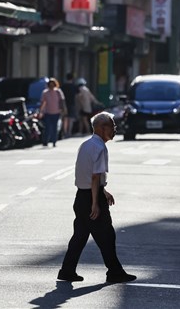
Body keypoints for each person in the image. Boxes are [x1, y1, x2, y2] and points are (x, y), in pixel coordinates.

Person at [57, 111, 137, 283]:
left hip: (81, 196)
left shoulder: (86, 144)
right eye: (112, 126)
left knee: (79, 236)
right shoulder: (100, 147)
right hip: (90, 199)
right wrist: (95, 203)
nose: (115, 129)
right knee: (107, 235)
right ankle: (115, 272)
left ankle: (67, 270)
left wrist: (103, 191)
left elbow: (88, 175)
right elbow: (94, 176)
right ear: (102, 128)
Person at [39, 77, 67, 147]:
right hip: (48, 112)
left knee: (54, 128)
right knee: (47, 128)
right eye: (50, 84)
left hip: (56, 112)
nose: (51, 86)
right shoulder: (45, 92)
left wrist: (63, 109)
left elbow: (62, 101)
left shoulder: (58, 91)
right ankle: (45, 141)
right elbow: (43, 102)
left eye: (52, 84)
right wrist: (41, 111)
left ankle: (54, 141)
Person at [61, 73, 78, 137]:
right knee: (71, 119)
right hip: (72, 104)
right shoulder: (74, 86)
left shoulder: (63, 86)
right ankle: (69, 132)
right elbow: (78, 95)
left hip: (64, 104)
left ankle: (64, 132)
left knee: (65, 118)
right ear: (72, 78)